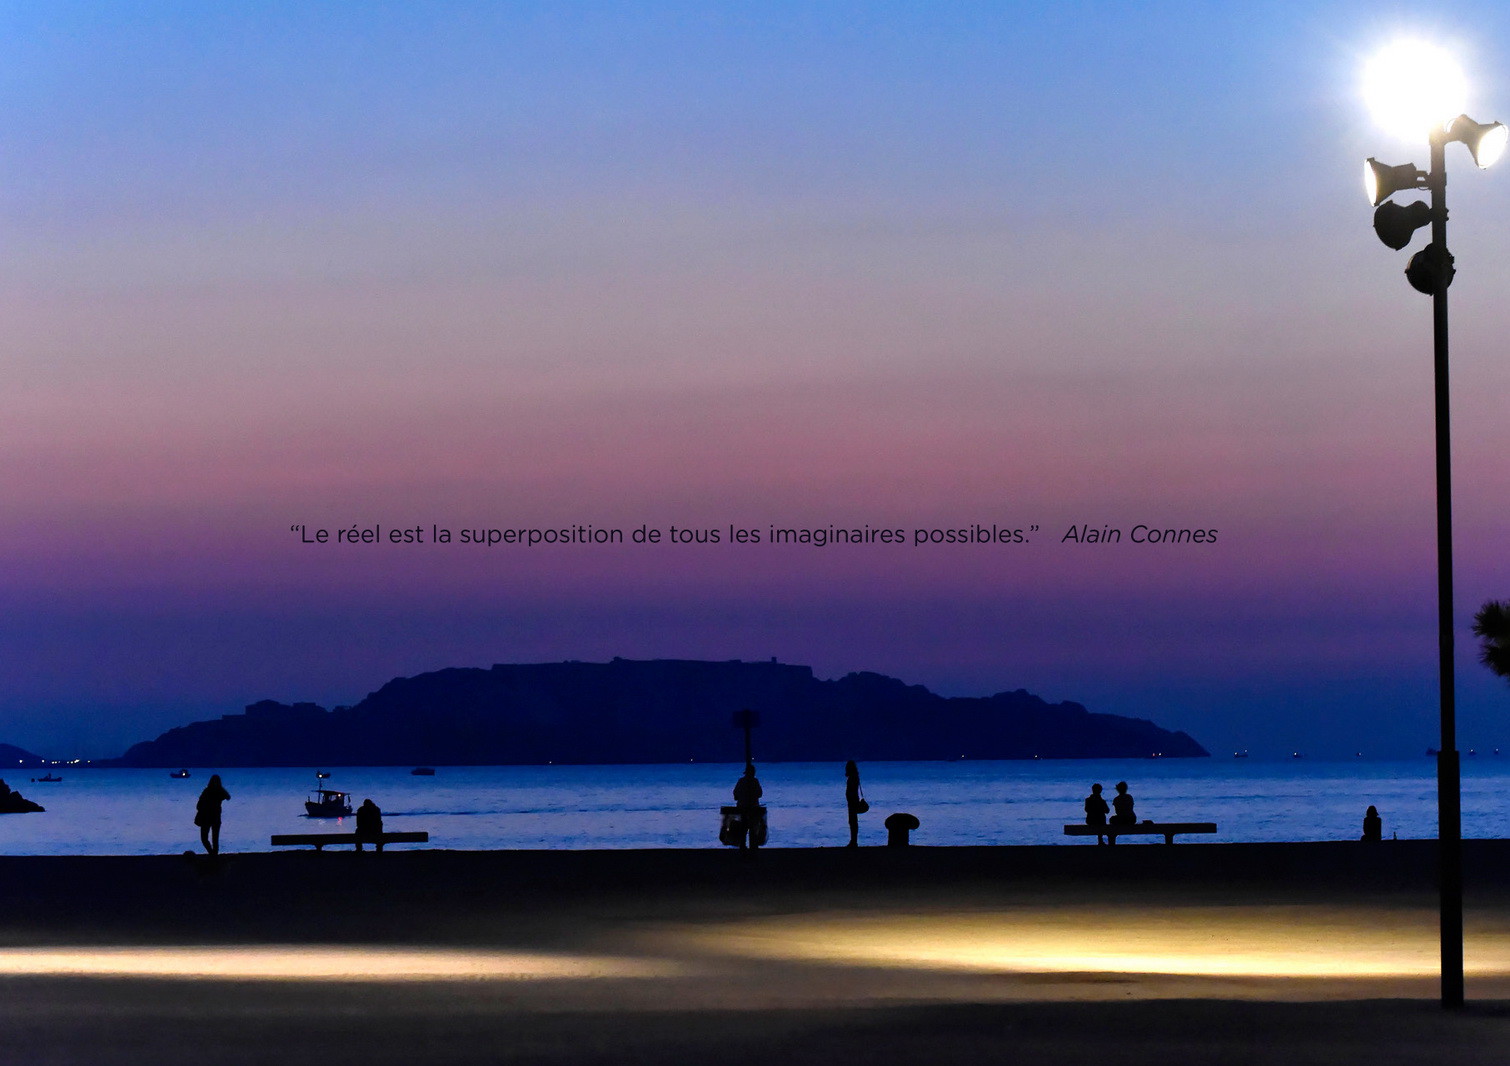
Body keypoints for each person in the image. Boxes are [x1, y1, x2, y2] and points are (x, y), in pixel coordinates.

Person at [194, 774, 231, 855]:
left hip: (209, 818)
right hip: (212, 818)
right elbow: (228, 797)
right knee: (212, 839)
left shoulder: (208, 791)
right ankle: (213, 854)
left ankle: (213, 854)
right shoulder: (218, 791)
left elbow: (199, 805)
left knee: (208, 839)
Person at [732, 763, 764, 850]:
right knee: (753, 828)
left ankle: (743, 846)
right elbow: (760, 794)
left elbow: (735, 794)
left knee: (743, 828)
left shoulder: (741, 781)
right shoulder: (755, 781)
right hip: (753, 808)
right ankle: (753, 846)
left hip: (742, 807)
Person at [844, 760, 866, 847]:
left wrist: (850, 799)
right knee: (853, 821)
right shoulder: (854, 777)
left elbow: (851, 790)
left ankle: (853, 841)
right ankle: (853, 840)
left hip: (852, 801)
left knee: (852, 821)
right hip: (853, 800)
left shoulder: (852, 777)